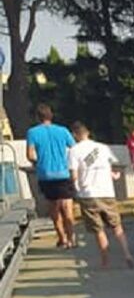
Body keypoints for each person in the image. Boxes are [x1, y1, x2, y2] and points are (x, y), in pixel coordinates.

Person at [67, 122, 134, 268]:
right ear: (88, 133)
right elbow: (110, 165)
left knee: (98, 229)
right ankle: (127, 254)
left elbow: (74, 174)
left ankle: (105, 260)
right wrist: (113, 175)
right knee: (117, 226)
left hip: (88, 194)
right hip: (107, 191)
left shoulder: (74, 151)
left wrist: (75, 187)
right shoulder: (103, 147)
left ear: (74, 135)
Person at [26, 104, 77, 248]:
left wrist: (38, 162)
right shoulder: (63, 130)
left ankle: (62, 237)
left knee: (53, 208)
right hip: (63, 173)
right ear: (51, 116)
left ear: (37, 117)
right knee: (67, 208)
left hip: (46, 175)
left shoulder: (32, 132)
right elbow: (74, 149)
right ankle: (72, 238)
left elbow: (30, 155)